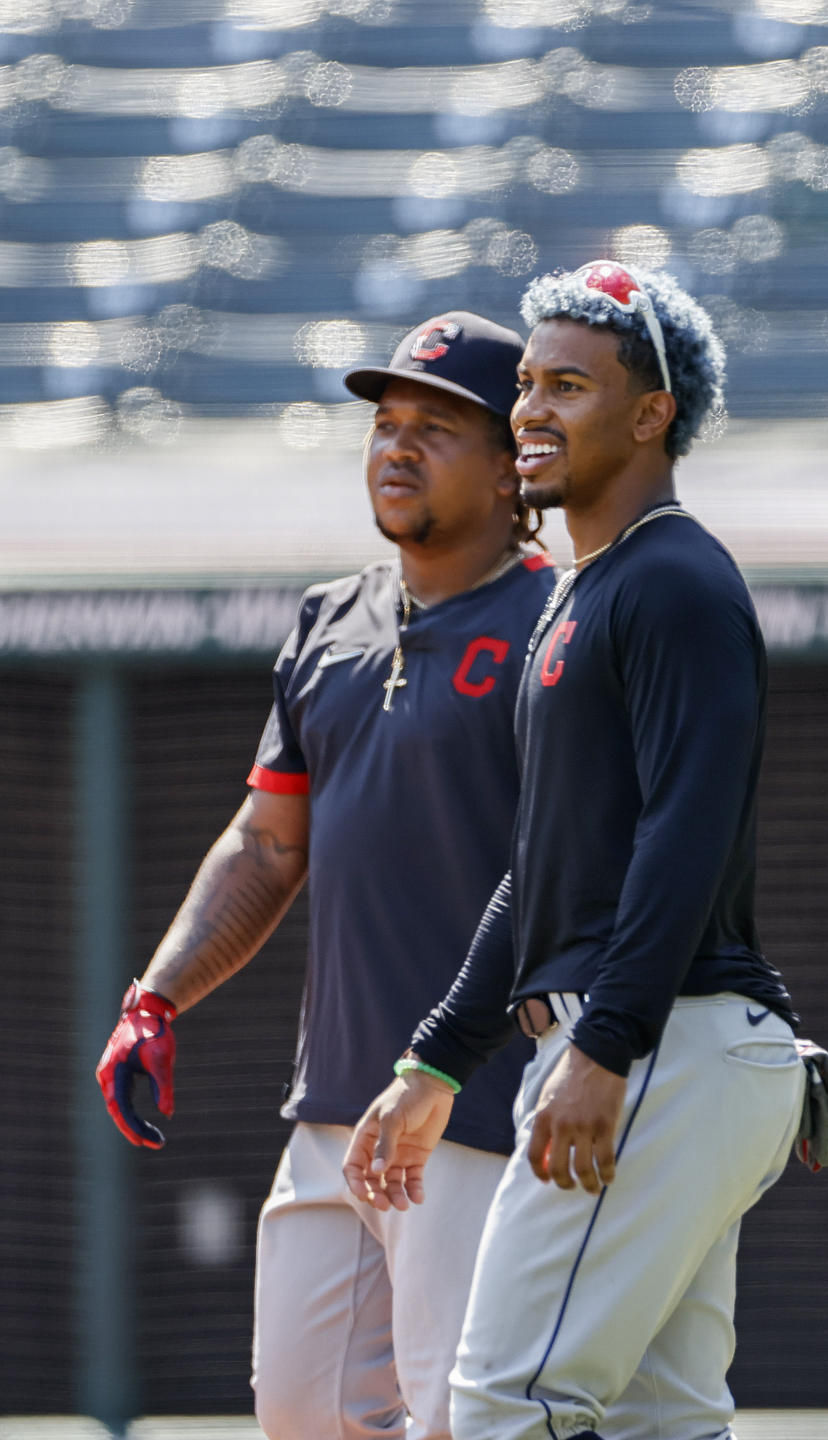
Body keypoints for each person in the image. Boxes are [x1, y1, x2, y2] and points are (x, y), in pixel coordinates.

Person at [343, 262, 808, 1440]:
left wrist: (605, 1046)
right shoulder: (588, 590)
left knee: (507, 1404)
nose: (532, 409)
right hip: (677, 1045)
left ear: (652, 413)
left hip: (660, 1038)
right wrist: (437, 1060)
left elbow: (686, 830)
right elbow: (545, 860)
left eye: (570, 386)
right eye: (528, 386)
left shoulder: (675, 580)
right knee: (659, 1422)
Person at [95, 310, 557, 1440]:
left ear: (512, 470)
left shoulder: (563, 619)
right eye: (386, 424)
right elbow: (266, 845)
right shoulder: (328, 618)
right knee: (304, 1417)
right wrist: (156, 997)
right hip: (334, 1106)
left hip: (481, 1100)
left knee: (469, 1420)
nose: (397, 447)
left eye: (438, 428)